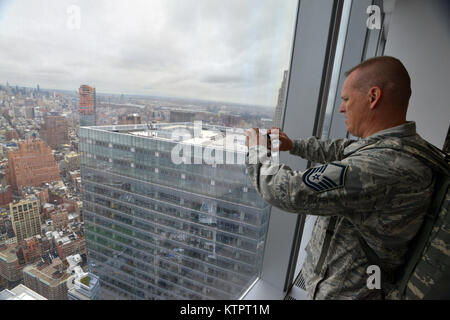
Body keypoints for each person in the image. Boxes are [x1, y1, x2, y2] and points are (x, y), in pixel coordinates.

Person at [245, 56, 440, 299]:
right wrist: (293, 145)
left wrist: (255, 150)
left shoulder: (382, 166)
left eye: (346, 99)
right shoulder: (402, 146)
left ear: (373, 97)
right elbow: (342, 149)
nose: (341, 108)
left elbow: (285, 190)